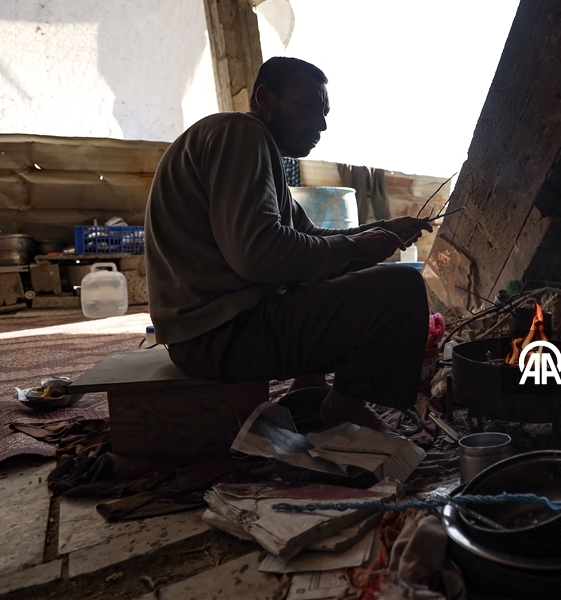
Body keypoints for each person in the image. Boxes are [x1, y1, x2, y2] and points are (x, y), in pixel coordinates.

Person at [144, 57, 434, 431]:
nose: (321, 123)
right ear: (265, 99)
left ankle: (307, 388)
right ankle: (342, 408)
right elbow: (259, 254)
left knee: (320, 270)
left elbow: (309, 240)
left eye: (325, 110)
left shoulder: (253, 150)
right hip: (218, 337)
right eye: (309, 106)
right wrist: (355, 248)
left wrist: (380, 230)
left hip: (211, 332)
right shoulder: (243, 135)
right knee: (401, 289)